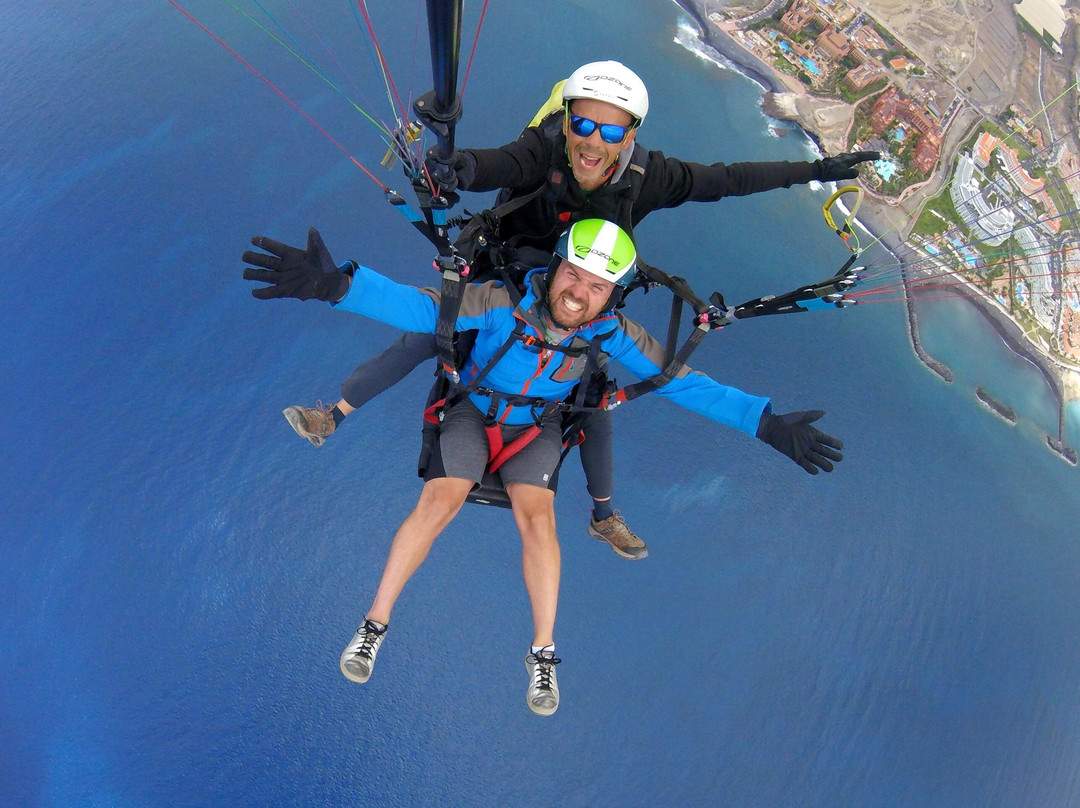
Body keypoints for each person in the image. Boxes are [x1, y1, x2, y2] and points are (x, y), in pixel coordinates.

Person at [242, 219, 844, 716]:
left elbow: (680, 383)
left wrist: (761, 421)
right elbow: (425, 310)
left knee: (539, 521)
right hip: (474, 411)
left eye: (598, 285)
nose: (580, 292)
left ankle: (543, 654)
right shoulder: (502, 301)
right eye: (574, 274)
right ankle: (373, 626)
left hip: (538, 427)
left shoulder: (614, 334)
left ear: (614, 295)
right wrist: (338, 287)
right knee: (440, 500)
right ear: (555, 267)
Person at [281, 60, 875, 560]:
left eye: (610, 131)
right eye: (582, 123)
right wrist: (462, 169)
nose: (592, 140)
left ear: (632, 135)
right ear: (566, 120)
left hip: (580, 292)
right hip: (511, 276)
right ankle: (333, 413)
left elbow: (729, 179)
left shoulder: (652, 176)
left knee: (593, 391)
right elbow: (505, 163)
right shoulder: (546, 148)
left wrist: (817, 171)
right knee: (428, 336)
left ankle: (604, 513)